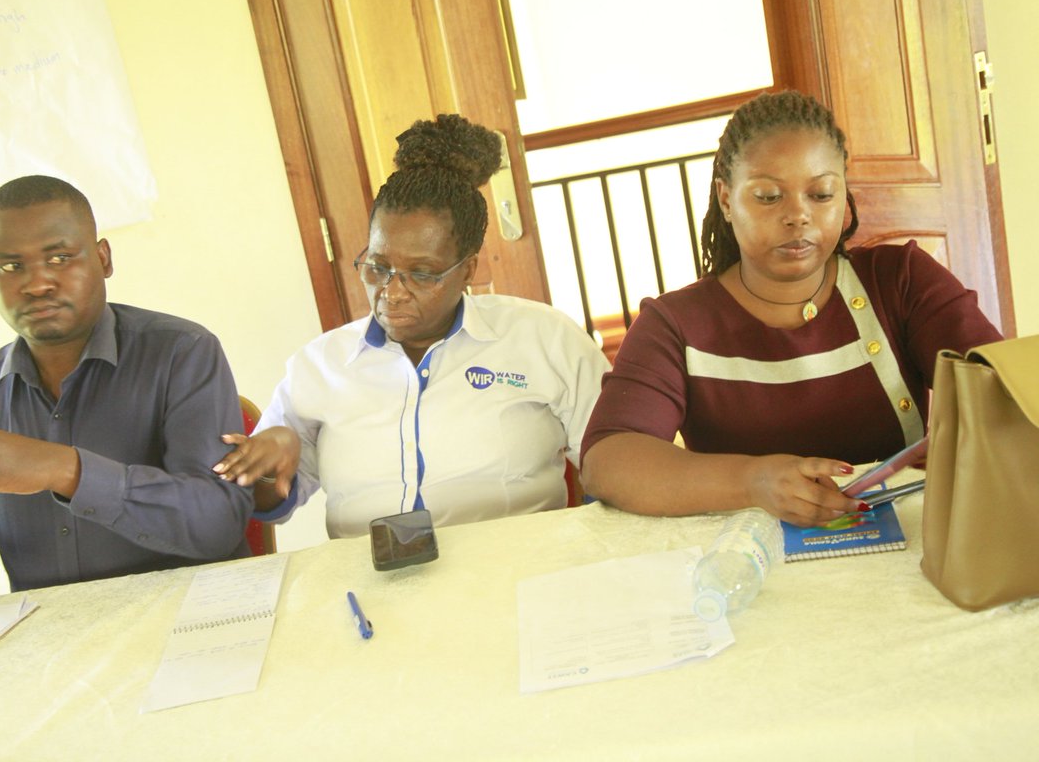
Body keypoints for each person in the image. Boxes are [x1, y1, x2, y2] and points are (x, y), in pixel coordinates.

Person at [580, 91, 1002, 527]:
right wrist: (753, 483)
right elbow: (608, 460)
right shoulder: (675, 325)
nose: (798, 215)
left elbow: (1008, 392)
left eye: (821, 194)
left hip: (912, 544)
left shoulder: (900, 281)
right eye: (768, 196)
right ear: (726, 200)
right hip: (749, 559)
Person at [214, 114, 610, 538]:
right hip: (367, 574)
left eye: (422, 274)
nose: (392, 292)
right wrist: (269, 468)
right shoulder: (318, 365)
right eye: (377, 267)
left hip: (519, 566)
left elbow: (615, 458)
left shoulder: (543, 339)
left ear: (467, 270)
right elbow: (269, 504)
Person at [0, 175, 254, 603]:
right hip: (51, 635)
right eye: (11, 267)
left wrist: (63, 470)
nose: (37, 284)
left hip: (191, 619)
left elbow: (217, 526)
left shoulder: (182, 352)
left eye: (60, 257)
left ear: (103, 258)